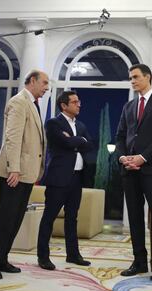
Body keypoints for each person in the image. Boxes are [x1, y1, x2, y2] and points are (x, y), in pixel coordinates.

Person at [0, 69, 48, 279]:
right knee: (6, 219)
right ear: (32, 81)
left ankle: (2, 259)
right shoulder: (19, 102)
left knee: (15, 219)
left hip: (26, 173)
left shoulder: (33, 104)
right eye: (44, 83)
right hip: (16, 172)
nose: (47, 87)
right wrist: (14, 169)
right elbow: (12, 138)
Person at [115, 64, 152, 282]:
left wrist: (143, 157)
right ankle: (139, 261)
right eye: (130, 78)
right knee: (135, 217)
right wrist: (123, 158)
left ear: (148, 77)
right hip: (129, 169)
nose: (132, 81)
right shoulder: (129, 106)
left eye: (136, 77)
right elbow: (120, 135)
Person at [37, 90, 93, 270]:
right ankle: (43, 257)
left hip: (77, 178)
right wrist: (79, 141)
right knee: (49, 217)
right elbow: (66, 143)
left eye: (79, 101)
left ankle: (73, 254)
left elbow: (90, 144)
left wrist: (76, 139)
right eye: (75, 102)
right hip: (58, 178)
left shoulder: (82, 125)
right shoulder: (53, 123)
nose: (79, 104)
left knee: (72, 218)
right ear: (64, 105)